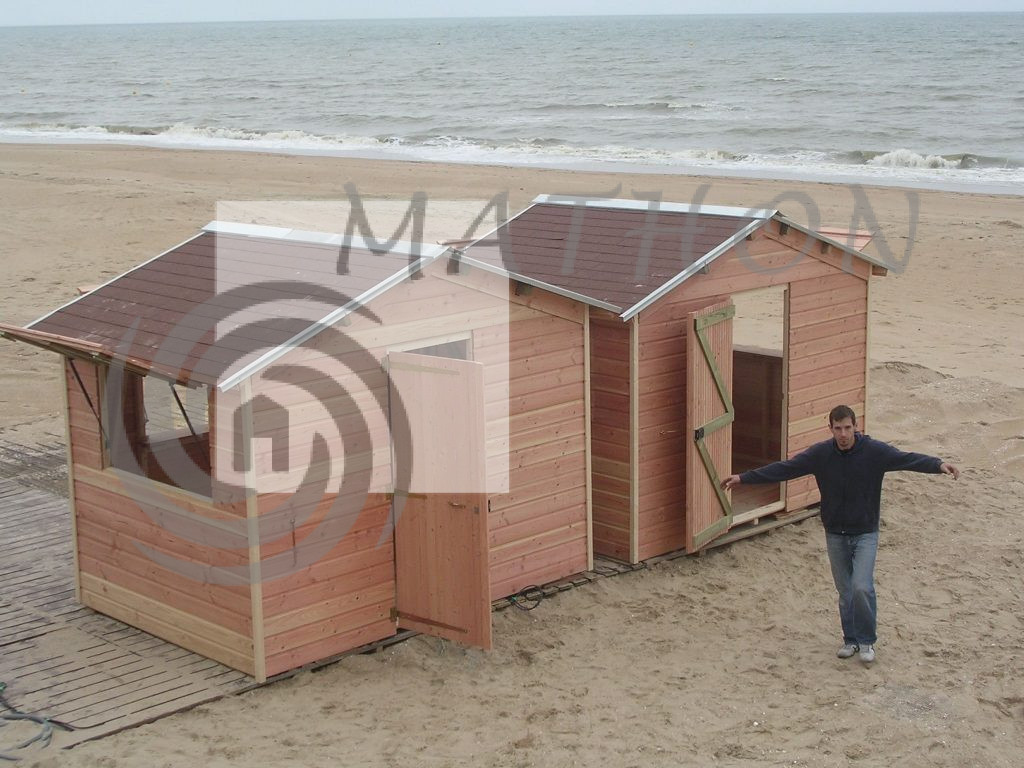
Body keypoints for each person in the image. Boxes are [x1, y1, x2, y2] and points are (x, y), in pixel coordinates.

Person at [720, 404, 960, 665]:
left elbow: (907, 458)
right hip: (835, 532)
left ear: (856, 427)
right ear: (831, 429)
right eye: (838, 429)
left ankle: (867, 641)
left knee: (861, 587)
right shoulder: (821, 454)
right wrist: (744, 478)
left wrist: (938, 465)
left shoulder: (874, 452)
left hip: (865, 531)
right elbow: (786, 469)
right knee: (845, 591)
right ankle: (850, 640)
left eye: (847, 428)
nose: (843, 434)